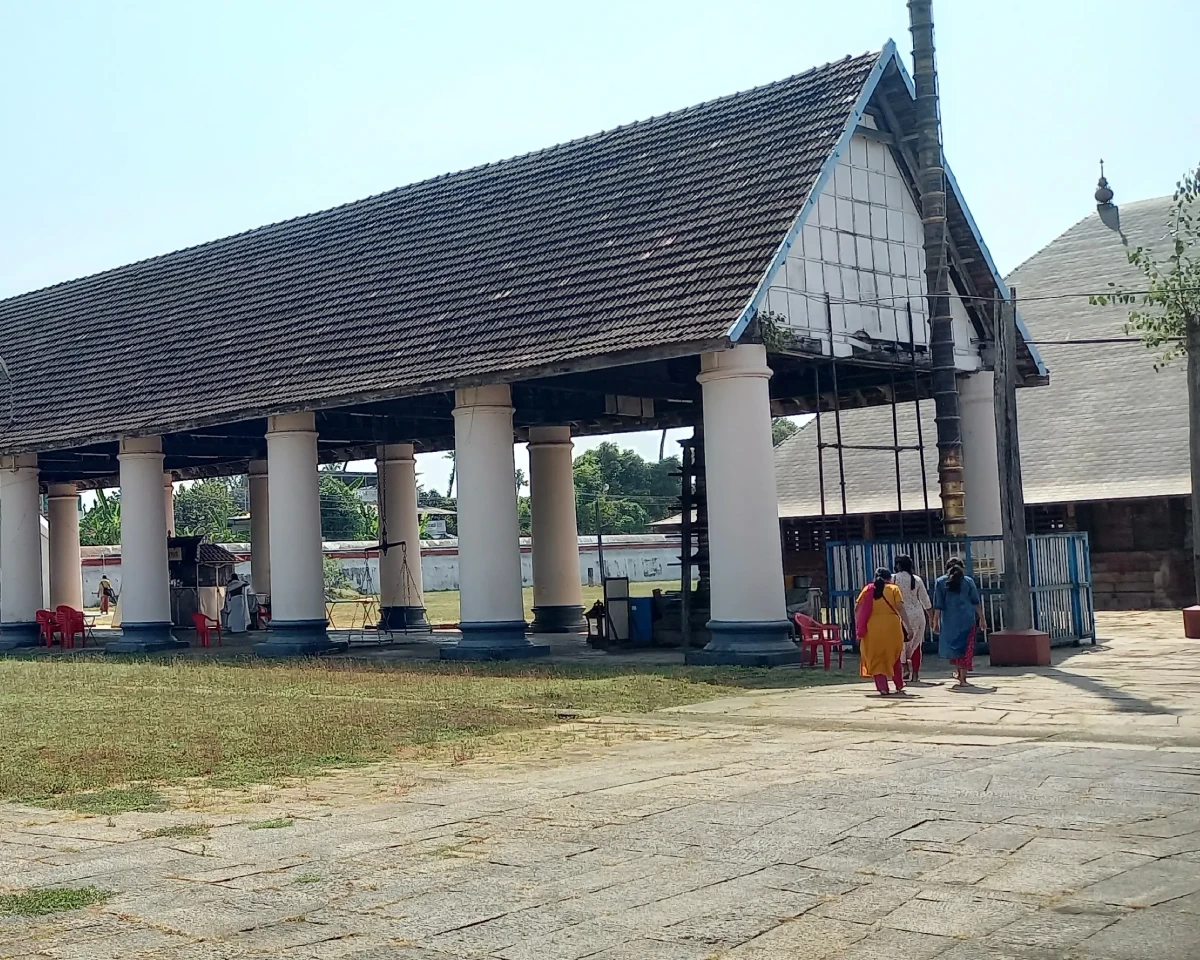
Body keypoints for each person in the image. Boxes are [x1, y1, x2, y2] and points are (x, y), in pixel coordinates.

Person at [932, 557, 986, 688]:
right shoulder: (968, 581)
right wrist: (982, 619)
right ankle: (963, 678)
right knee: (966, 649)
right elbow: (975, 602)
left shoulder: (940, 582)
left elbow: (938, 604)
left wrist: (935, 621)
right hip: (967, 620)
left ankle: (960, 674)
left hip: (950, 622)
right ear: (962, 568)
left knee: (955, 649)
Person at [855, 567, 907, 696]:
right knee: (894, 655)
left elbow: (857, 608)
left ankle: (883, 688)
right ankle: (899, 684)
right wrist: (909, 626)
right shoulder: (894, 589)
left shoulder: (868, 589)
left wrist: (859, 625)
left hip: (872, 627)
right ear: (889, 578)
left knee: (876, 657)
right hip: (892, 626)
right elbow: (900, 608)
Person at [894, 555, 932, 682]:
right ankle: (915, 675)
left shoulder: (893, 579)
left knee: (901, 645)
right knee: (916, 645)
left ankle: (905, 669)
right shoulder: (917, 579)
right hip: (917, 615)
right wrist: (932, 618)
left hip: (900, 615)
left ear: (898, 565)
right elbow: (926, 601)